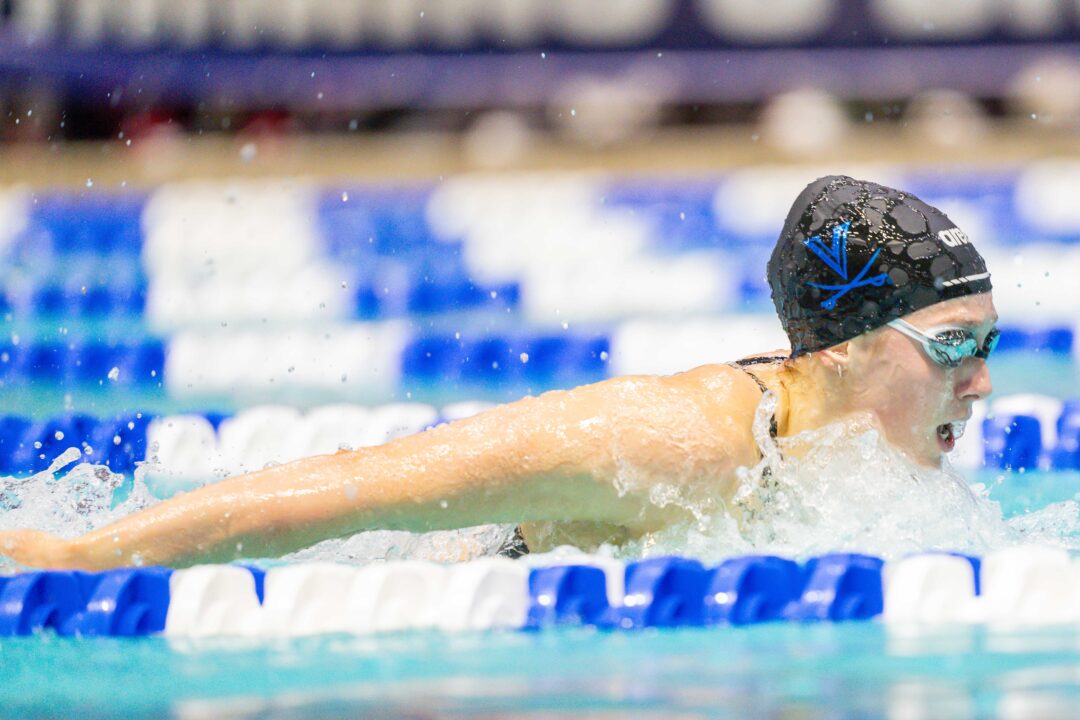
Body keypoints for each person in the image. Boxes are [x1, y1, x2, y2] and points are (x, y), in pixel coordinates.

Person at [0, 175, 999, 571]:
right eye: (956, 349)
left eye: (986, 349)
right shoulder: (674, 440)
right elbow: (354, 490)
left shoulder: (861, 464)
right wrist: (77, 561)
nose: (982, 386)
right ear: (841, 346)